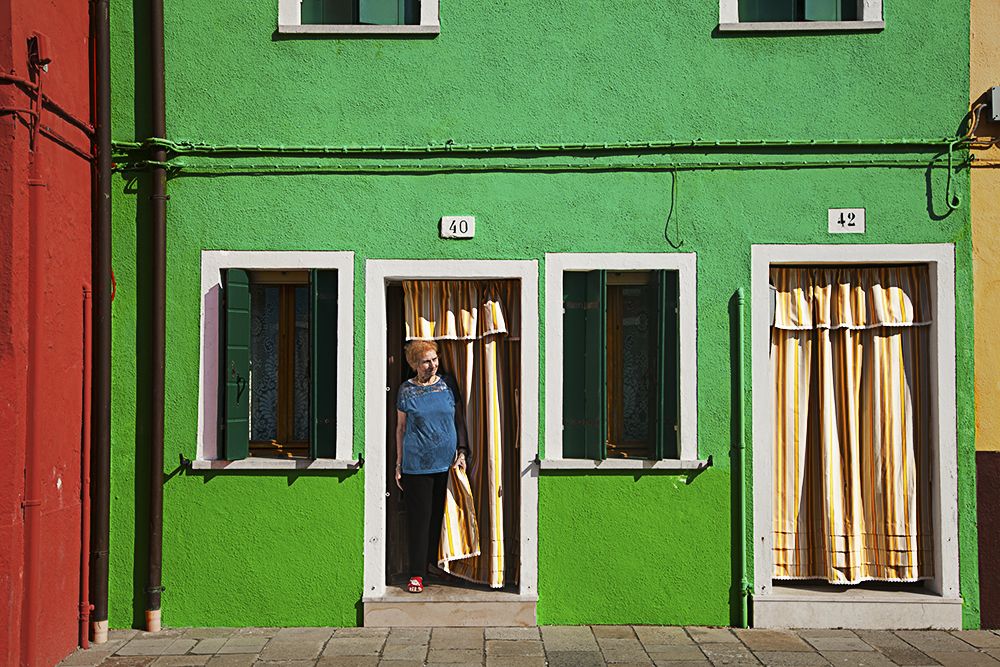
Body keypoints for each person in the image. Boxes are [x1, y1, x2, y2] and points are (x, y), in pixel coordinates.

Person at [395, 340, 468, 593]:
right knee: (419, 520)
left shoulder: (447, 384)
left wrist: (462, 451)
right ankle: (416, 573)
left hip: (446, 464)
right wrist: (399, 462)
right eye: (426, 361)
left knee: (439, 516)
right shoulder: (406, 390)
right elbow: (401, 428)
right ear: (415, 364)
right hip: (417, 465)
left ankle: (432, 564)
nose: (432, 365)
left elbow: (459, 419)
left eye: (434, 359)